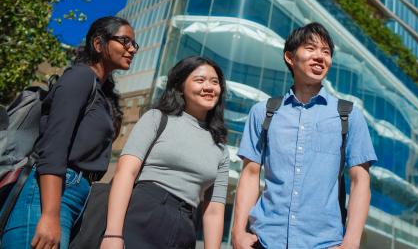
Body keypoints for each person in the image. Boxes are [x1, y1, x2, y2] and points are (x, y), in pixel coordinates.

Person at [231, 22, 377, 249]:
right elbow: (250, 175)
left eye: (326, 52)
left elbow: (360, 181)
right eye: (311, 48)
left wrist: (351, 242)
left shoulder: (348, 116)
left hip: (324, 242)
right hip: (265, 240)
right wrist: (238, 232)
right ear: (290, 57)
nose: (320, 57)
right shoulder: (263, 112)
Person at [1, 16, 137, 249]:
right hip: (50, 195)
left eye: (134, 44)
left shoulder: (102, 93)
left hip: (74, 195)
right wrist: (50, 215)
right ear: (98, 44)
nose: (132, 49)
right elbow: (54, 146)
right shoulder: (80, 77)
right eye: (125, 41)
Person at [101, 56, 229, 249]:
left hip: (185, 228)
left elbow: (214, 210)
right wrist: (112, 234)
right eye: (200, 80)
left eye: (215, 82)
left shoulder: (221, 147)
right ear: (179, 87)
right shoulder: (156, 119)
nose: (209, 87)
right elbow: (126, 173)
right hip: (142, 214)